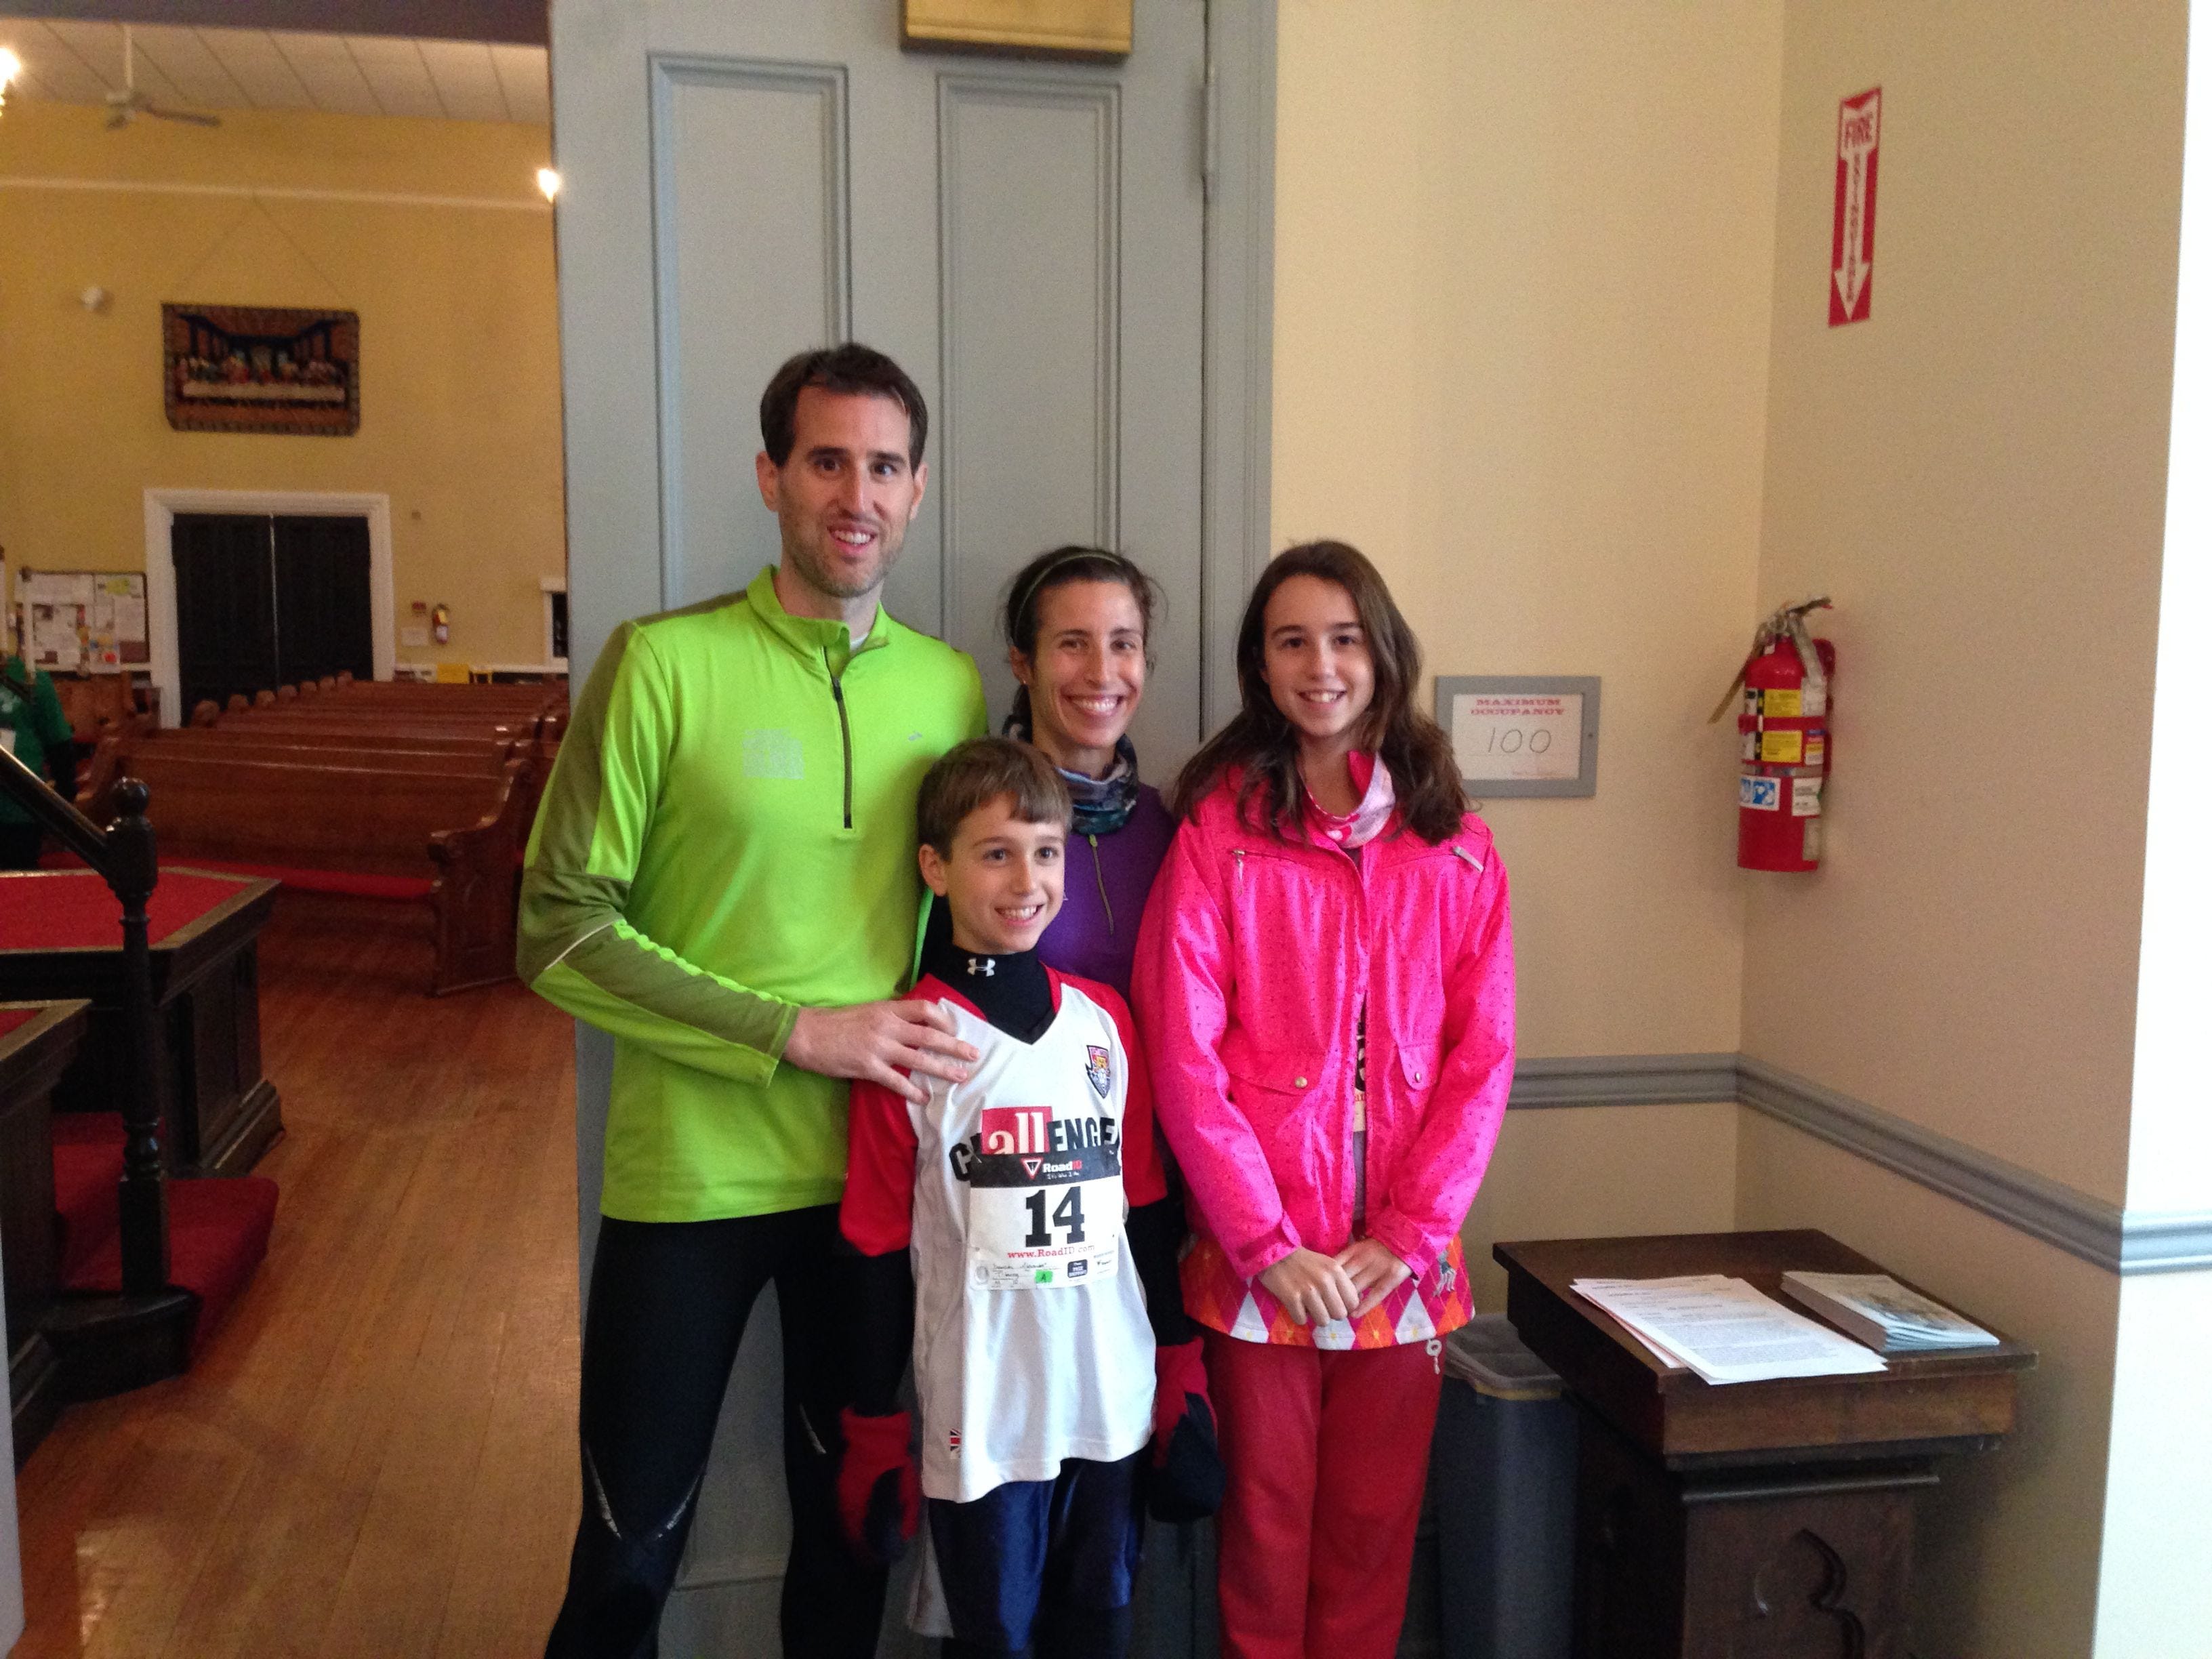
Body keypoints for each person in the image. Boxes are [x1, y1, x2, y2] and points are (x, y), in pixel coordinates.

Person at [523, 344, 990, 1659]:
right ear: (770, 476)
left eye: (884, 467)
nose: (857, 494)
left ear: (916, 489)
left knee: (847, 1542)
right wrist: (793, 1030)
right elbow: (556, 930)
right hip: (690, 1183)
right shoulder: (661, 664)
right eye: (826, 460)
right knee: (627, 1556)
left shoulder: (951, 688)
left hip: (872, 1186)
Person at [1134, 541, 1516, 1659]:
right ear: (1260, 664)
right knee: (1262, 1533)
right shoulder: (1219, 832)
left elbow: (1481, 1057)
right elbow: (1183, 1051)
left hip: (1401, 1267)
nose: (1320, 665)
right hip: (1259, 1262)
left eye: (1344, 638)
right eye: (1291, 641)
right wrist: (1263, 1242)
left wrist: (1408, 1233)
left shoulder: (1456, 846)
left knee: (1369, 1535)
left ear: (1382, 652)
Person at [836, 737, 1217, 1659]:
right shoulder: (912, 1040)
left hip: (1108, 1402)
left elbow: (1146, 1208)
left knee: (1099, 1630)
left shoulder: (1104, 1022)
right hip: (984, 1416)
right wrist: (874, 1425)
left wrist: (1180, 1370)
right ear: (936, 867)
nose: (1026, 880)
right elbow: (875, 1246)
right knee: (993, 1639)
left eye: (1045, 852)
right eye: (995, 853)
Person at [999, 546, 1174, 994]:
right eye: (1073, 643)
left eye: (1122, 644)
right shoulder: (982, 821)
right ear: (1024, 664)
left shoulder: (1174, 827)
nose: (1101, 674)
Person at [0, 646, 77, 869]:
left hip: (19, 803)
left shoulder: (31, 679)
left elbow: (59, 746)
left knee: (19, 876)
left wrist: (63, 802)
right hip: (21, 801)